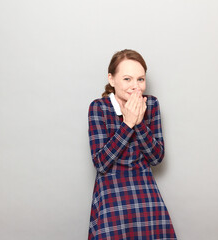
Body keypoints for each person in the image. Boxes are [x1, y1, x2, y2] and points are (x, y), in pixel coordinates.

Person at [87, 49, 177, 239]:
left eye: (140, 79)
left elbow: (156, 158)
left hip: (145, 194)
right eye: (127, 79)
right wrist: (127, 123)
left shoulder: (151, 105)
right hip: (111, 196)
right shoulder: (99, 108)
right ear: (112, 79)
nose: (135, 86)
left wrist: (139, 123)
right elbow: (101, 163)